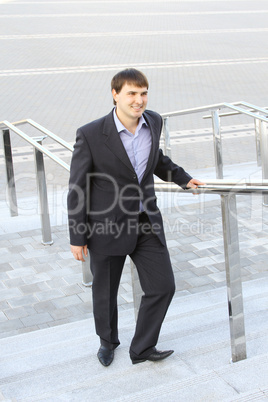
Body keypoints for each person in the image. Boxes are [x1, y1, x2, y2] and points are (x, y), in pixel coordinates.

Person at [67, 68, 203, 367]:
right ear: (115, 94)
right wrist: (77, 236)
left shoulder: (153, 121)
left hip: (145, 222)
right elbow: (77, 188)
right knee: (105, 294)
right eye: (131, 93)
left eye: (143, 93)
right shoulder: (90, 134)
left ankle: (141, 348)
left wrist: (182, 178)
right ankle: (107, 342)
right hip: (106, 227)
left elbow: (157, 158)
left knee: (163, 286)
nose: (138, 100)